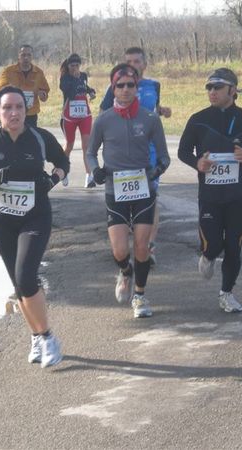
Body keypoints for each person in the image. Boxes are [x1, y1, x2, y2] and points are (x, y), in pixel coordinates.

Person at [0, 86, 69, 368]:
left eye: (19, 108)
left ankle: (48, 338)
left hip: (35, 217)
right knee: (18, 284)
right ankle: (36, 335)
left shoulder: (38, 137)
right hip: (3, 221)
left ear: (26, 110)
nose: (14, 113)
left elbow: (63, 162)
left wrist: (53, 179)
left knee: (26, 277)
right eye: (7, 108)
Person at [178, 67, 242, 313]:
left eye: (217, 87)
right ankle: (207, 256)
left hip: (238, 195)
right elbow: (183, 151)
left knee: (234, 246)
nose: (212, 91)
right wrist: (197, 163)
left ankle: (226, 293)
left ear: (233, 90)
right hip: (210, 196)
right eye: (209, 87)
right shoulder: (198, 119)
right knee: (214, 244)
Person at [87, 64, 170, 319]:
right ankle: (125, 271)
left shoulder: (150, 119)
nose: (125, 90)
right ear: (113, 88)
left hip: (143, 189)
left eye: (130, 85)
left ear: (137, 87)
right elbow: (91, 152)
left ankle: (140, 296)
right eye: (120, 85)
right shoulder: (103, 120)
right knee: (121, 251)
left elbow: (165, 158)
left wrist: (155, 171)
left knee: (142, 248)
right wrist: (95, 170)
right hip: (115, 190)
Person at [100, 47, 172, 264]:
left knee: (152, 197)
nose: (132, 65)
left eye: (137, 61)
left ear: (145, 64)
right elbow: (103, 115)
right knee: (124, 198)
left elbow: (152, 109)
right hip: (123, 154)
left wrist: (162, 111)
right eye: (128, 61)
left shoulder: (154, 85)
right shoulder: (115, 87)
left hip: (148, 153)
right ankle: (122, 246)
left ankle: (148, 247)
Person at [59, 53, 96, 188]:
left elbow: (84, 87)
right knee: (69, 145)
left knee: (86, 146)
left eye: (77, 65)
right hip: (69, 116)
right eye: (72, 65)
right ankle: (63, 170)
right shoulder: (64, 79)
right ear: (68, 66)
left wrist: (91, 92)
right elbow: (71, 94)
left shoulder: (83, 76)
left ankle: (89, 176)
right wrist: (75, 79)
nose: (75, 68)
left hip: (85, 115)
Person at [0, 44, 49, 127]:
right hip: (13, 112)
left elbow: (45, 91)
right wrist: (11, 94)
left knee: (30, 139)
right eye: (23, 55)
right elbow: (0, 89)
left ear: (32, 57)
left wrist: (43, 95)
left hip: (31, 113)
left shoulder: (39, 72)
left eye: (29, 55)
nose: (26, 58)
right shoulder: (9, 71)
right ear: (18, 56)